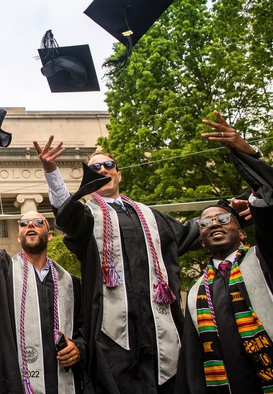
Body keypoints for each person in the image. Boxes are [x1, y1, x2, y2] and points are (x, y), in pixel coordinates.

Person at [36, 135, 205, 393]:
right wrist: (51, 171)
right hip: (113, 338)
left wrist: (232, 213)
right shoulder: (88, 217)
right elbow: (67, 215)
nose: (103, 170)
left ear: (119, 174)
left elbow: (189, 233)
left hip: (161, 331)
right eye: (95, 168)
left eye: (108, 165)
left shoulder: (151, 216)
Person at [0, 154, 87, 393]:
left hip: (64, 383)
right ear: (18, 236)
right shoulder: (3, 272)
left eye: (38, 222)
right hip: (16, 383)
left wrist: (78, 347)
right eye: (24, 224)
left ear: (50, 235)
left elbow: (84, 328)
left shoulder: (69, 283)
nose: (30, 226)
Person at [177, 112, 273, 393]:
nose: (214, 224)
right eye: (204, 223)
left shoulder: (264, 258)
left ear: (242, 230)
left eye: (222, 219)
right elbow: (192, 363)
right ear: (202, 241)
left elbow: (268, 196)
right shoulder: (196, 292)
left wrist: (247, 153)